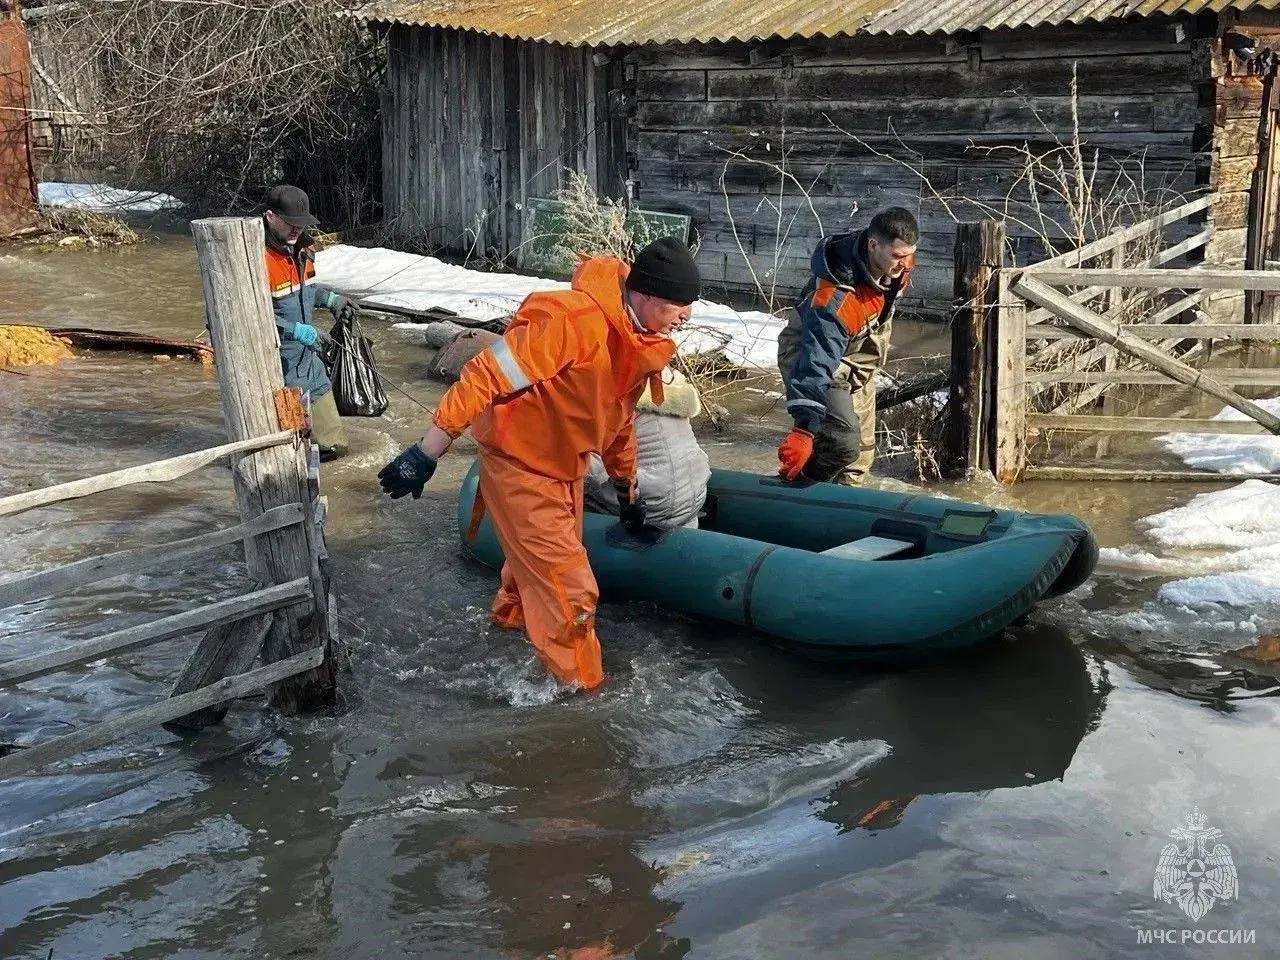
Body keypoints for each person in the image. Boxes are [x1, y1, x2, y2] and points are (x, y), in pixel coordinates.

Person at [377, 237, 701, 690]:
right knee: (571, 593)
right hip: (520, 465)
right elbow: (484, 375)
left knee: (530, 575)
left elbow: (618, 421)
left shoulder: (636, 343)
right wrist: (428, 451)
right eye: (677, 306)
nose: (686, 317)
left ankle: (506, 638)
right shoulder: (571, 322)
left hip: (563, 468)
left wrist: (627, 490)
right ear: (644, 295)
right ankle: (582, 698)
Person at [776, 207, 918, 485]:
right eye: (898, 256)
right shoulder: (835, 298)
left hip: (859, 357)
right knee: (842, 441)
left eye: (910, 254)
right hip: (811, 354)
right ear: (873, 245)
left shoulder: (895, 262)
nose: (905, 264)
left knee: (860, 458)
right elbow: (816, 360)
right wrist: (804, 429)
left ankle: (843, 506)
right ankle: (797, 487)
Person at [262, 183, 358, 460]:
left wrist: (330, 299)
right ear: (270, 216)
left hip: (309, 362)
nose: (297, 229)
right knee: (288, 456)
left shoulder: (304, 249)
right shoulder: (255, 258)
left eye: (301, 224)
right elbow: (241, 320)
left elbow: (304, 291)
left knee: (334, 448)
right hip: (276, 370)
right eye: (291, 223)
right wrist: (295, 330)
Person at [583, 366, 710, 529]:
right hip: (694, 496)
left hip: (653, 505)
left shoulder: (606, 383)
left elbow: (589, 456)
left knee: (571, 473)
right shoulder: (666, 374)